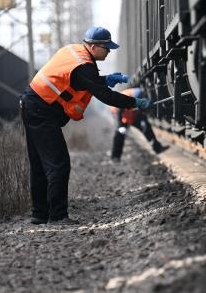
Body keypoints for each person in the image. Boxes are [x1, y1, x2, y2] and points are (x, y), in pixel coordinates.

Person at [19, 26, 150, 225]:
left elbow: (81, 81)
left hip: (33, 105)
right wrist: (135, 103)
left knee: (39, 164)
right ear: (95, 46)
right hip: (41, 110)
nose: (109, 52)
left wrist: (105, 79)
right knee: (58, 163)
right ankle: (58, 216)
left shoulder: (74, 53)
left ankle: (40, 214)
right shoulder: (84, 65)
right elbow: (105, 95)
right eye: (107, 48)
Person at [110, 87, 166, 159]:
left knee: (145, 126)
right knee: (120, 133)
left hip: (134, 115)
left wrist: (147, 104)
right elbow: (118, 111)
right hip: (123, 117)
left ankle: (157, 148)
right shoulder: (123, 97)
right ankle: (115, 156)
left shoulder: (136, 93)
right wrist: (120, 125)